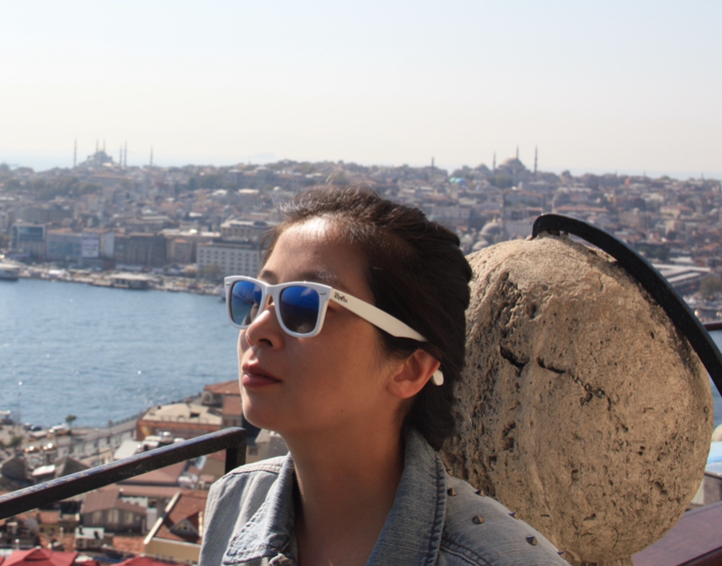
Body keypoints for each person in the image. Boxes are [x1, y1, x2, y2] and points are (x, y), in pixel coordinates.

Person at [200, 187, 568, 566]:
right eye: (255, 297)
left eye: (305, 306)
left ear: (411, 369)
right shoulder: (235, 501)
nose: (256, 329)